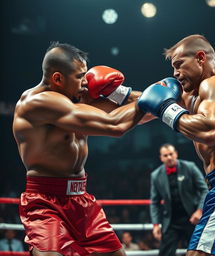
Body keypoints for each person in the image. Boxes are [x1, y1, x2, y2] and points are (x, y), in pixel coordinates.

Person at [12, 42, 146, 256]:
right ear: (57, 79)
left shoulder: (76, 98)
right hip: (45, 201)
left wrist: (123, 93)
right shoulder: (38, 103)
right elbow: (115, 125)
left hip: (80, 198)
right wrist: (154, 99)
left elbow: (139, 114)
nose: (86, 82)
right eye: (79, 76)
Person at [138, 34, 215, 256]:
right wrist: (113, 93)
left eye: (179, 65)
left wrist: (165, 108)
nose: (175, 73)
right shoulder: (193, 97)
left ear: (200, 57)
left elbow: (209, 129)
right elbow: (145, 104)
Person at [150, 143, 208, 256]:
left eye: (171, 154)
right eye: (165, 155)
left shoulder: (190, 167)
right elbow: (155, 202)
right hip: (171, 221)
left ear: (176, 154)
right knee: (165, 253)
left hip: (191, 217)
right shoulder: (156, 175)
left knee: (198, 252)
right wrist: (155, 224)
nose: (169, 157)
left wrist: (200, 210)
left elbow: (204, 190)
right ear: (161, 158)